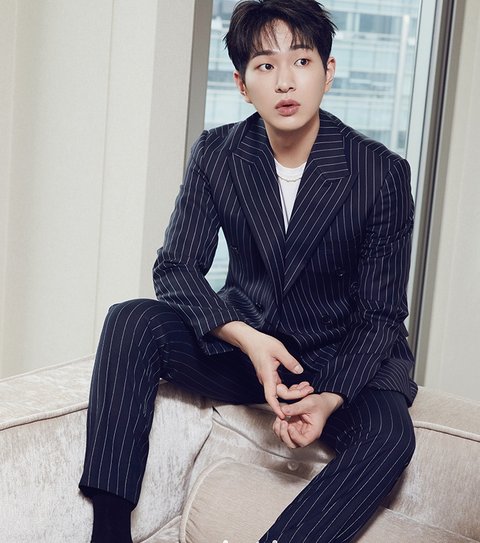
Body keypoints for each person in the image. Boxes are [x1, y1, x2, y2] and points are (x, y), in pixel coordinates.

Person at [79, 1, 418, 541]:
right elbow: (176, 267)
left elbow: (380, 314)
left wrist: (329, 396)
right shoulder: (218, 153)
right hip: (253, 347)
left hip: (341, 354)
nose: (285, 81)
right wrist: (248, 339)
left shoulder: (381, 173)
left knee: (390, 438)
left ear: (328, 71)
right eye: (265, 65)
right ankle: (109, 531)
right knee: (131, 320)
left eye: (302, 61)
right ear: (242, 84)